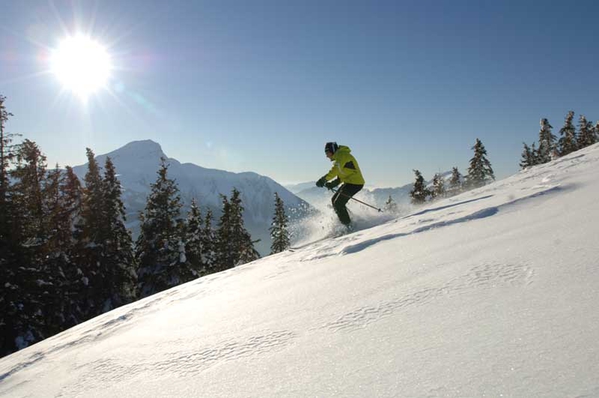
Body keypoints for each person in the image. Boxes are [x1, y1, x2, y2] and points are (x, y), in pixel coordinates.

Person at [316, 142, 365, 227]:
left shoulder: (342, 155)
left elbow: (335, 171)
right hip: (350, 182)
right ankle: (347, 220)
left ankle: (348, 225)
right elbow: (341, 175)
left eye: (327, 153)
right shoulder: (340, 157)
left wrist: (323, 180)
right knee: (334, 201)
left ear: (333, 150)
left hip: (355, 183)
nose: (327, 156)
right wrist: (333, 184)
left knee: (338, 203)